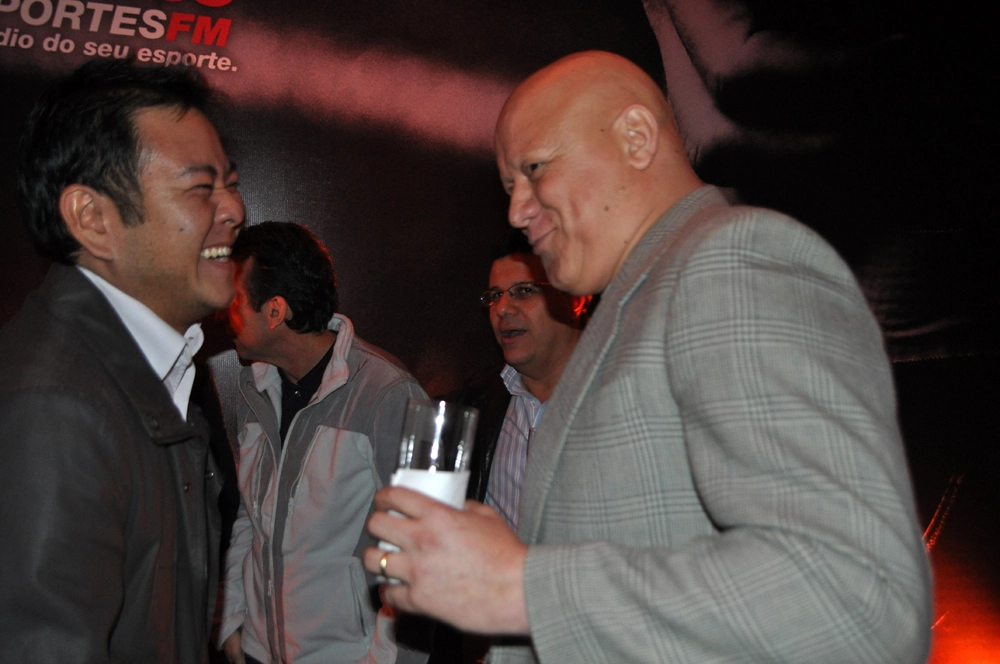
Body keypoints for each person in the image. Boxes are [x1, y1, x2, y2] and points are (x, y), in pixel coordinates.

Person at [364, 51, 933, 663]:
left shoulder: (731, 260)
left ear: (637, 138)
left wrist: (521, 586)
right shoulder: (638, 301)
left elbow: (854, 597)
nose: (516, 210)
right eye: (510, 187)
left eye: (534, 170)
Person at [0, 60, 243, 663]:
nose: (234, 209)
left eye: (230, 183)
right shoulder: (56, 408)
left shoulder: (160, 369)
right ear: (92, 219)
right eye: (200, 187)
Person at [218, 221, 429, 664]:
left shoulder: (387, 395)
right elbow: (248, 518)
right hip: (256, 651)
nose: (223, 311)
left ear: (275, 311)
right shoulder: (250, 388)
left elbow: (420, 552)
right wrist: (234, 622)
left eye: (234, 300)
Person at [430, 233, 585, 664]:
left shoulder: (614, 401)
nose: (503, 310)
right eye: (495, 296)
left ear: (574, 297)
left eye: (523, 291)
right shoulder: (479, 403)